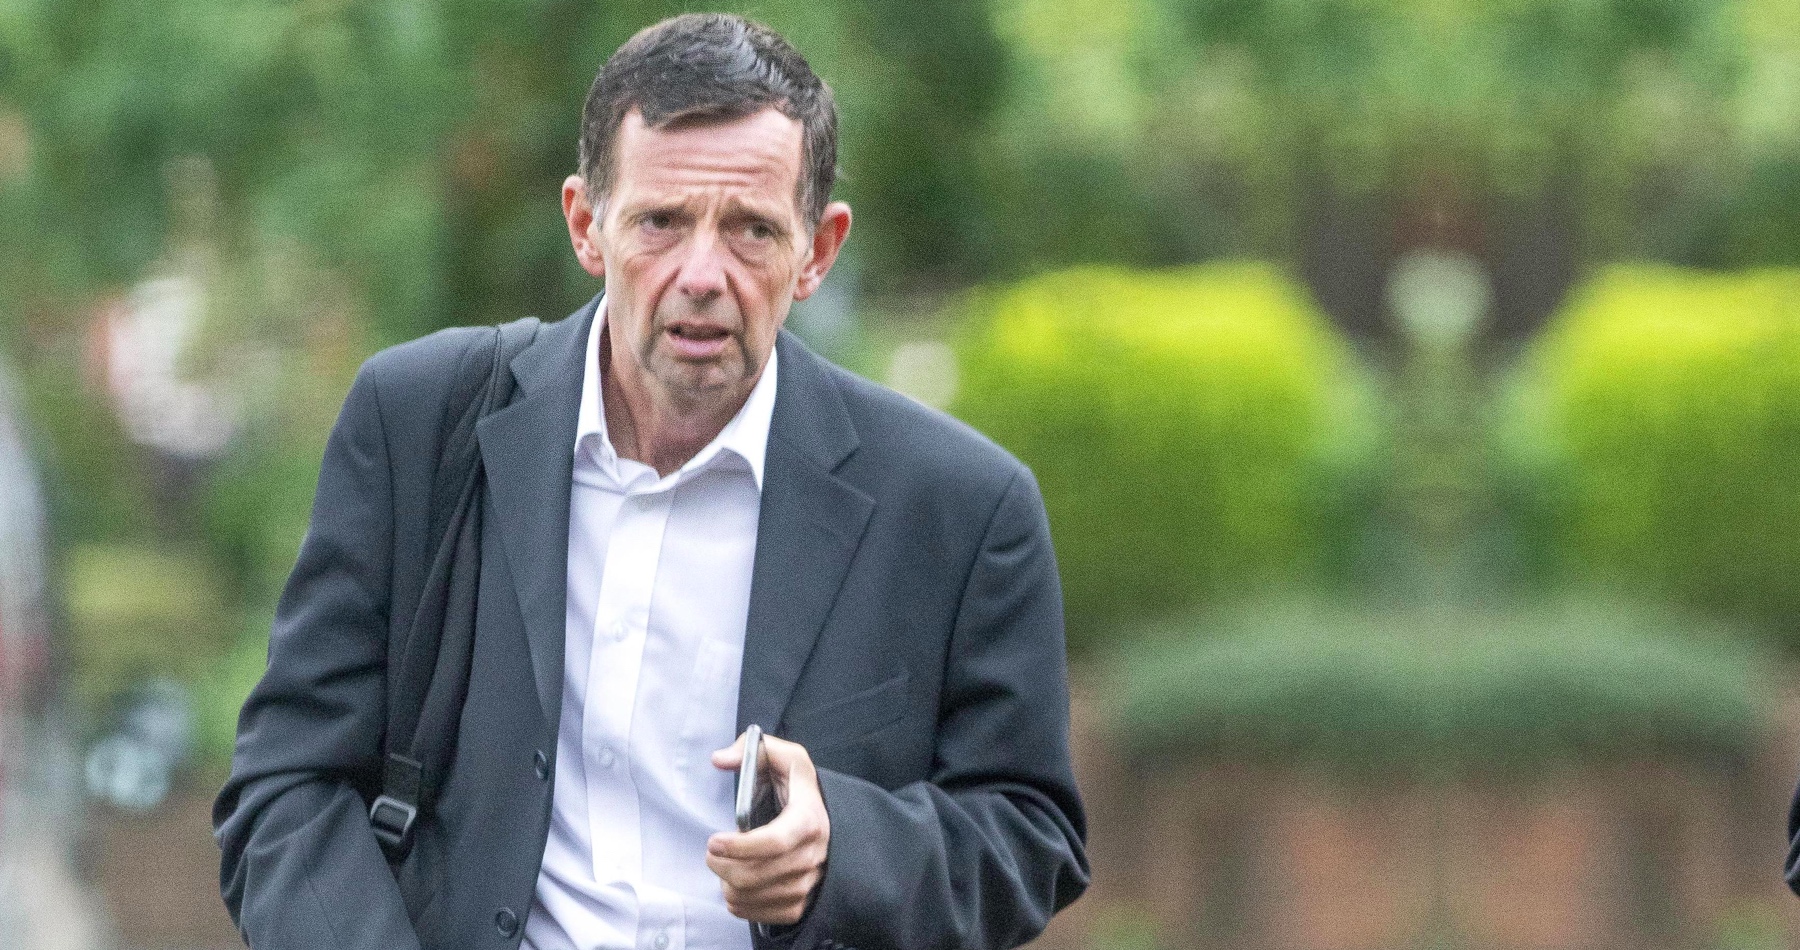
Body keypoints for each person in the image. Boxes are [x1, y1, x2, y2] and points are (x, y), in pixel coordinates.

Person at [214, 13, 1088, 950]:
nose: (701, 274)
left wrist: (844, 849)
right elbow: (286, 789)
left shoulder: (960, 508)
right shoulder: (420, 423)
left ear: (818, 251)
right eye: (661, 222)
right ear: (585, 225)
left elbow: (1030, 835)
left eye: (751, 230)